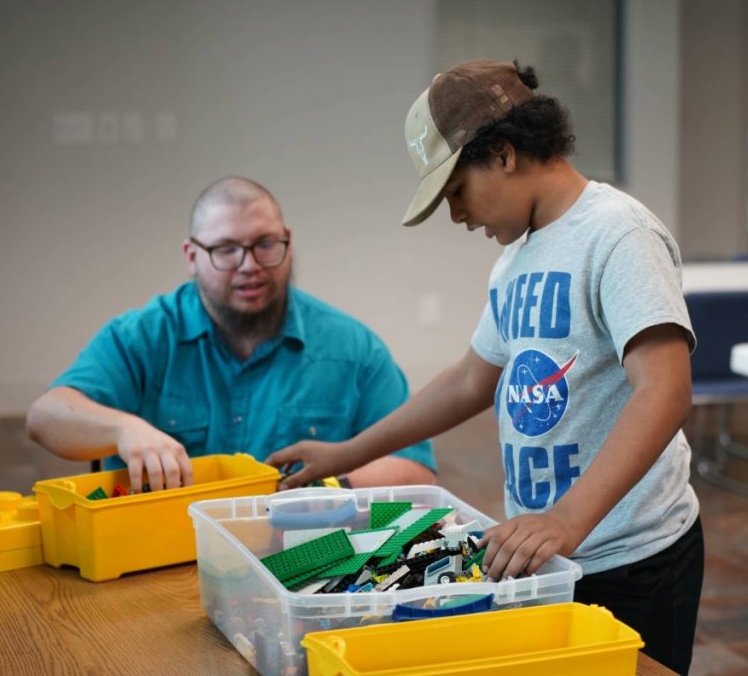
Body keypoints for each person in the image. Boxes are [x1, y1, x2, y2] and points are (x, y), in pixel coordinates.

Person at [268, 59, 702, 674]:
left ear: (502, 153)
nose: (457, 215)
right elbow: (473, 380)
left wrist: (568, 517)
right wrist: (348, 452)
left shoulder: (618, 234)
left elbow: (664, 389)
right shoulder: (516, 261)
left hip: (632, 552)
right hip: (547, 552)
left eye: (456, 192)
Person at [26, 176, 436, 494]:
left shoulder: (352, 350)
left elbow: (414, 472)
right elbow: (47, 416)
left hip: (297, 558)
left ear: (288, 244)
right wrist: (123, 429)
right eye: (225, 249)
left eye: (264, 244)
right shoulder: (142, 338)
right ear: (192, 256)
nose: (249, 265)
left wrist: (318, 494)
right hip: (158, 555)